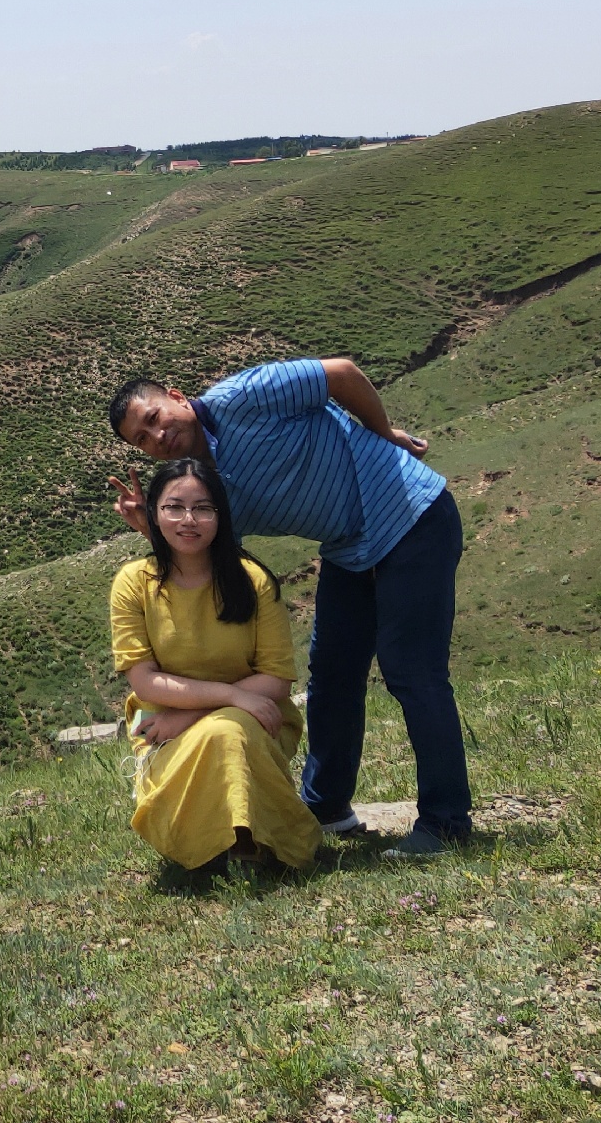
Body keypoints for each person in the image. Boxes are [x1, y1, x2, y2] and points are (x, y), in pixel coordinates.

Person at [106, 356, 472, 858]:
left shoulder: (243, 396)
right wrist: (152, 530)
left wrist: (383, 432)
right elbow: (209, 555)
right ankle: (326, 808)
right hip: (349, 546)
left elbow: (340, 373)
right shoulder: (209, 491)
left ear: (176, 396)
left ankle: (445, 823)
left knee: (412, 670)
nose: (157, 438)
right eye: (142, 441)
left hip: (408, 514)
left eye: (153, 419)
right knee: (333, 672)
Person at [110, 459, 322, 873]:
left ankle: (245, 846)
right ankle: (228, 844)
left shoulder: (252, 580)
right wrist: (228, 696)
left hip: (255, 720)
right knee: (225, 729)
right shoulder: (134, 582)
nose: (189, 520)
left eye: (203, 509)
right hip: (163, 730)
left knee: (227, 731)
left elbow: (276, 681)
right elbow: (145, 682)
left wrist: (191, 713)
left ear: (220, 516)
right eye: (174, 507)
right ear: (154, 513)